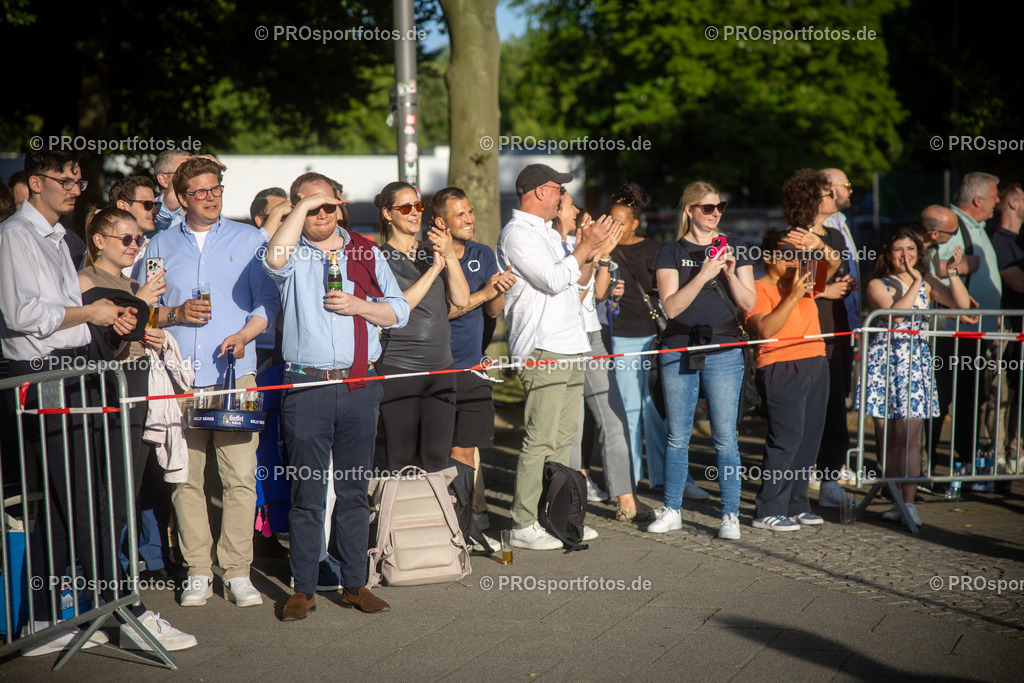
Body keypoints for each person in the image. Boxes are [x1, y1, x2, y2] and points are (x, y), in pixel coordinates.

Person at [0, 150, 194, 654]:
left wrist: (104, 320)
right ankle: (124, 609)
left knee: (65, 509)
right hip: (41, 377)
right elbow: (23, 315)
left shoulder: (60, 238)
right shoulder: (16, 235)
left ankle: (40, 621)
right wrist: (93, 311)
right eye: (65, 179)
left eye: (78, 180)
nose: (74, 187)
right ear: (36, 182)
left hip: (73, 372)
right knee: (87, 502)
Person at [264, 172, 408, 619]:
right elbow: (273, 261)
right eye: (310, 207)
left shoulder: (364, 251)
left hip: (359, 383)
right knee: (308, 489)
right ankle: (303, 588)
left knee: (352, 491)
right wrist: (302, 208)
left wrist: (359, 305)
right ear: (296, 210)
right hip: (307, 384)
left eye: (328, 206)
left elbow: (398, 312)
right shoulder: (290, 250)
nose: (320, 214)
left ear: (341, 207)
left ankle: (354, 584)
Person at [140, 156, 279, 609]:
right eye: (200, 192)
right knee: (185, 479)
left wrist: (245, 335)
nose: (211, 198)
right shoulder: (158, 244)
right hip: (178, 376)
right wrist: (174, 315)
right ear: (181, 198)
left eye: (216, 189)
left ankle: (237, 571)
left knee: (239, 477)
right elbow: (143, 312)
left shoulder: (249, 237)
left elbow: (267, 303)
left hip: (235, 374)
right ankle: (198, 569)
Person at [497, 164, 612, 550]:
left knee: (564, 441)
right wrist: (582, 248)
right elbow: (550, 279)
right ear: (539, 192)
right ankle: (521, 523)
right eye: (559, 189)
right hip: (542, 347)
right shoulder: (516, 234)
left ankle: (559, 516)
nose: (564, 196)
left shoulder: (550, 232)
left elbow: (575, 281)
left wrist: (592, 250)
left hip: (571, 344)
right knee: (540, 439)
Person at [647, 181, 756, 539]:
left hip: (725, 348)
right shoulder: (671, 252)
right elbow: (672, 307)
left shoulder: (734, 248)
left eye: (719, 207)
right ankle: (673, 508)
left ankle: (730, 515)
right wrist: (704, 274)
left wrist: (726, 273)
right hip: (679, 347)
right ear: (690, 210)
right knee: (678, 436)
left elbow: (749, 304)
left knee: (725, 437)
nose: (715, 214)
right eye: (708, 207)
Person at [863, 227, 970, 526]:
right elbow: (896, 315)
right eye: (899, 250)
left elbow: (960, 304)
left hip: (915, 363)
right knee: (891, 439)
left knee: (910, 437)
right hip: (886, 362)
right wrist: (916, 283)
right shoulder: (877, 284)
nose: (905, 256)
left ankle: (908, 502)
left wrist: (951, 274)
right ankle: (896, 498)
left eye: (911, 250)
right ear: (888, 253)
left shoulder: (927, 281)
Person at [558, 196, 651, 522]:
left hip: (593, 336)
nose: (591, 226)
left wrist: (604, 259)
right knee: (573, 429)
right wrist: (593, 254)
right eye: (585, 221)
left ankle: (626, 498)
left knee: (615, 417)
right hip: (566, 340)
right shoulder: (559, 247)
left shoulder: (587, 247)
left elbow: (597, 295)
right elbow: (573, 295)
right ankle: (570, 505)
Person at [432, 186, 516, 530]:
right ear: (441, 222)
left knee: (466, 450)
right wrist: (483, 293)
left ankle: (467, 517)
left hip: (473, 365)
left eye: (469, 212)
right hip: (436, 366)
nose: (469, 219)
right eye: (460, 214)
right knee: (435, 450)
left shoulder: (483, 251)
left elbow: (492, 310)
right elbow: (441, 313)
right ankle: (440, 517)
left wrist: (499, 291)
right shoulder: (430, 256)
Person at [374, 181, 469, 472]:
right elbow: (397, 309)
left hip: (442, 366)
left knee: (437, 459)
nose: (414, 213)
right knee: (399, 459)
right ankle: (395, 517)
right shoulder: (379, 257)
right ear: (388, 214)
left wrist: (449, 256)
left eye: (418, 206)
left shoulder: (433, 251)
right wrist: (434, 271)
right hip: (400, 366)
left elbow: (462, 299)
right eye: (405, 208)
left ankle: (435, 518)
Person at [744, 228, 831, 531]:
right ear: (768, 257)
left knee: (809, 438)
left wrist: (818, 245)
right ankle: (768, 508)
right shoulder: (756, 288)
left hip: (815, 361)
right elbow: (766, 329)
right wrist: (793, 295)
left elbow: (831, 264)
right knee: (785, 439)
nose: (795, 260)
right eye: (787, 254)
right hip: (780, 364)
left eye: (798, 254)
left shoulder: (803, 278)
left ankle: (797, 503)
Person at [781, 169, 855, 508]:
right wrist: (827, 292)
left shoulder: (831, 236)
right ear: (812, 200)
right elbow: (794, 286)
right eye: (827, 194)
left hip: (836, 329)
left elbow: (836, 264)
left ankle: (830, 480)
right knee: (806, 412)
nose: (834, 198)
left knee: (836, 408)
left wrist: (822, 247)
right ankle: (794, 488)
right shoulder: (790, 238)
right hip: (807, 328)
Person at [931, 173, 1001, 467]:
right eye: (995, 196)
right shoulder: (951, 225)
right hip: (953, 333)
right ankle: (927, 466)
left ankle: (966, 460)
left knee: (972, 398)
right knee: (945, 398)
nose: (998, 201)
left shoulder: (978, 227)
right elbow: (930, 270)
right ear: (978, 200)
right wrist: (960, 267)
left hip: (974, 332)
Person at [991, 183, 1024, 472]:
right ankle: (996, 455)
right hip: (1004, 331)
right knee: (999, 396)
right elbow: (1018, 284)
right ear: (1013, 204)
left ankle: (1016, 451)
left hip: (1018, 331)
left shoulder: (1020, 241)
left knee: (1018, 393)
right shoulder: (998, 241)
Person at [109, 175, 159, 275]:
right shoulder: (103, 250)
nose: (155, 211)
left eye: (156, 205)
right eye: (147, 204)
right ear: (123, 206)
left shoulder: (155, 248)